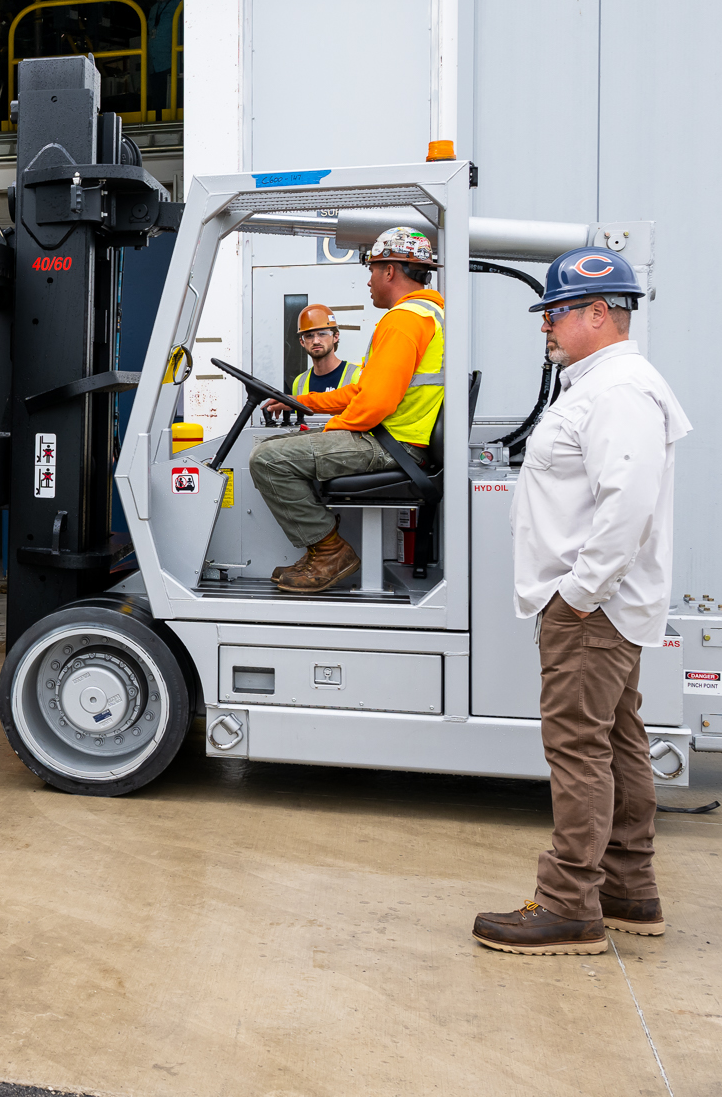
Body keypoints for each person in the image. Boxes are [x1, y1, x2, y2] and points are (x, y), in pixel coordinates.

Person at [472, 248, 690, 955]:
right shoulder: (601, 383)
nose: (547, 326)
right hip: (601, 607)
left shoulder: (617, 389)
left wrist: (578, 596)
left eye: (558, 312)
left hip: (592, 610)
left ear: (600, 313)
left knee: (577, 749)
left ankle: (569, 904)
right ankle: (628, 887)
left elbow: (625, 504)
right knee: (618, 738)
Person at [250, 227, 444, 592]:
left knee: (267, 459)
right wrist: (303, 402)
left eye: (371, 269)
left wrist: (331, 429)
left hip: (391, 444)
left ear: (390, 271)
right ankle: (320, 550)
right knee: (279, 448)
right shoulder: (427, 315)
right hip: (399, 440)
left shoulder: (404, 320)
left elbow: (375, 403)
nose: (369, 280)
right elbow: (363, 390)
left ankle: (329, 551)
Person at [288, 303, 362, 397]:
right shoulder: (299, 382)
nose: (315, 341)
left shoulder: (356, 376)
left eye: (322, 334)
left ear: (335, 337)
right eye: (309, 336)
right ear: (302, 342)